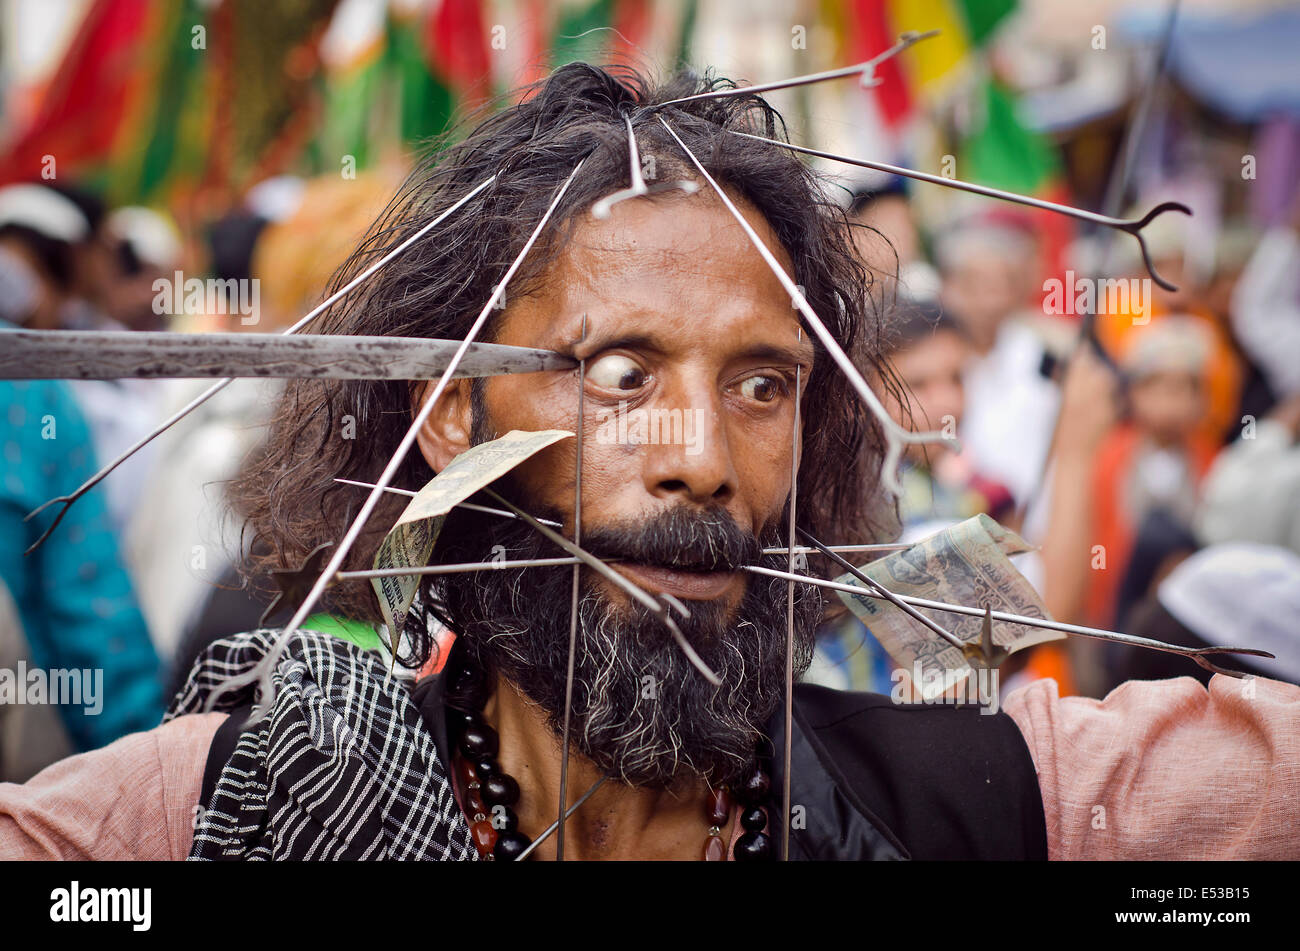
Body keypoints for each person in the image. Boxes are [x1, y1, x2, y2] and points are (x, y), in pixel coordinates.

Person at [1, 65, 1297, 861]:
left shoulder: (982, 806)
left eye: (760, 384)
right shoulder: (215, 811)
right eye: (621, 374)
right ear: (452, 416)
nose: (702, 461)